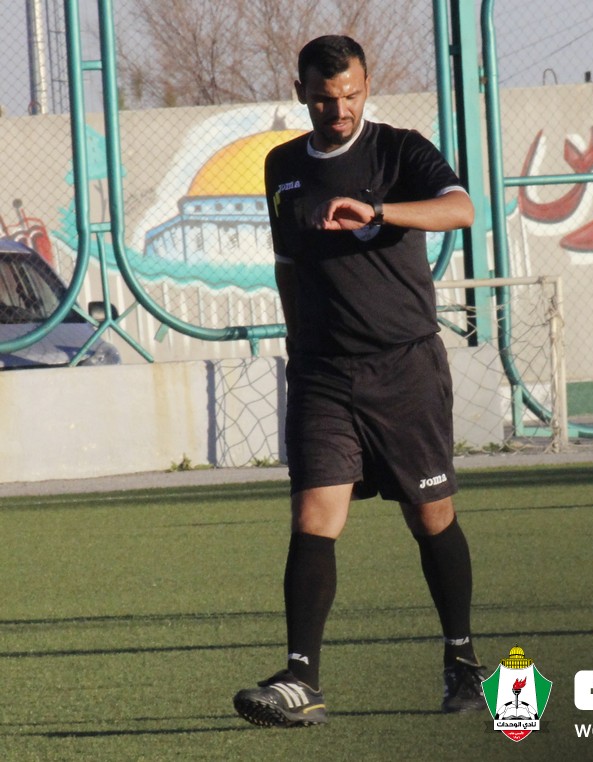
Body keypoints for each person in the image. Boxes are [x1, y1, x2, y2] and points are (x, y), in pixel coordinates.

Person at [233, 35, 485, 727]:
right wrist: (303, 339)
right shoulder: (283, 166)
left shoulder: (401, 151)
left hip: (404, 368)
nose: (339, 109)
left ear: (366, 87)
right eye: (324, 98)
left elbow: (460, 209)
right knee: (313, 517)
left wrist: (380, 212)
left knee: (431, 516)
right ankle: (301, 679)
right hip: (322, 373)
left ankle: (463, 663)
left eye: (350, 95)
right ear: (301, 94)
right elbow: (290, 261)